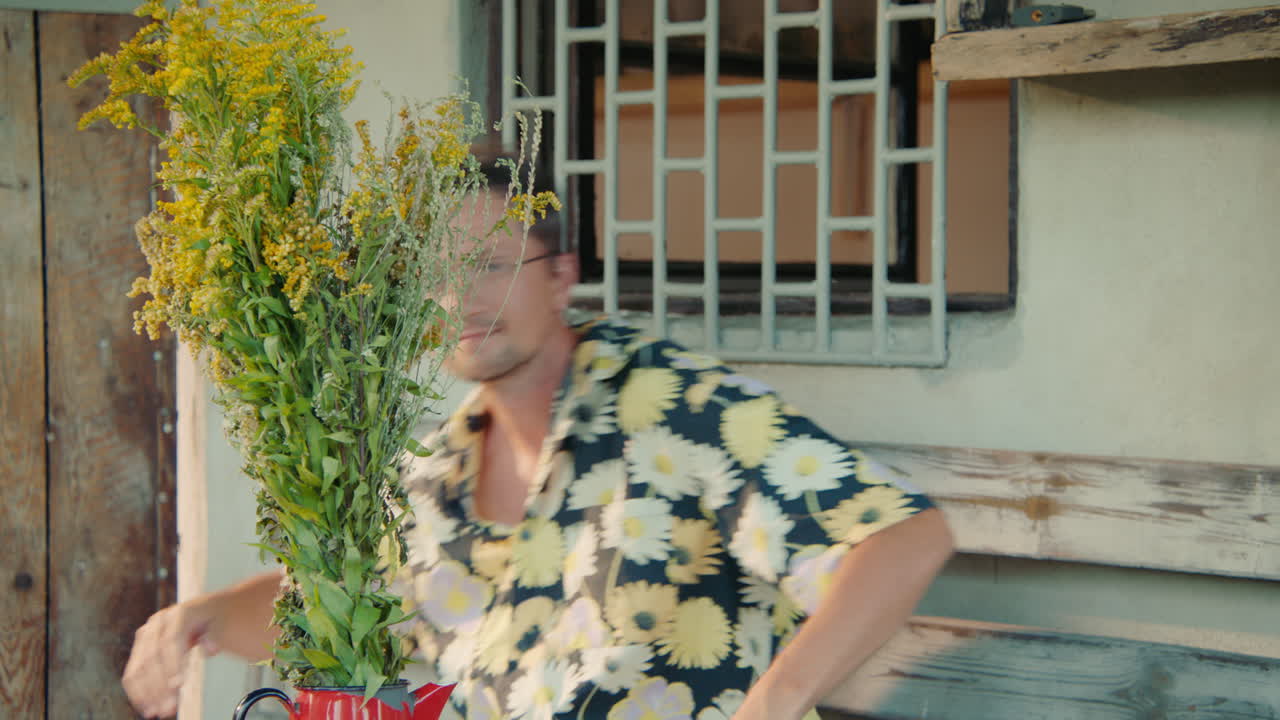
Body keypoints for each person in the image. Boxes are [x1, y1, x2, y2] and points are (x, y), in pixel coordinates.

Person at [122, 169, 954, 720]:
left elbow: (902, 538)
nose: (458, 295)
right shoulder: (439, 471)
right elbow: (334, 606)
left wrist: (772, 706)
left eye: (489, 264)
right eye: (430, 269)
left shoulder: (669, 405)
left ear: (564, 275)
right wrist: (196, 618)